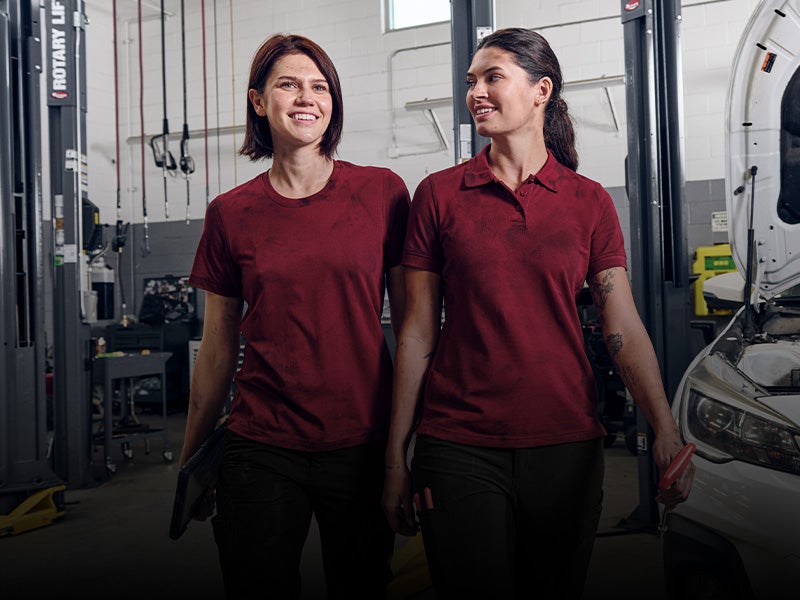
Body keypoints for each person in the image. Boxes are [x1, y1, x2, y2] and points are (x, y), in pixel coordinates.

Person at [381, 27, 694, 599]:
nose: (475, 90)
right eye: (471, 80)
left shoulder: (588, 201)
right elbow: (417, 332)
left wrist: (665, 428)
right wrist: (395, 455)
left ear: (540, 90)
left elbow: (620, 324)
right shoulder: (438, 195)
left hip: (565, 443)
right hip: (458, 443)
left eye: (492, 77)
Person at [179, 34, 410, 599]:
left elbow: (413, 333)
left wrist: (406, 449)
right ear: (259, 101)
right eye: (288, 84)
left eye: (319, 86)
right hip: (260, 443)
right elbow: (216, 350)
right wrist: (192, 461)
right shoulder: (230, 213)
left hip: (361, 441)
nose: (306, 97)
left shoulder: (382, 193)